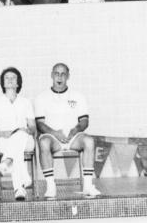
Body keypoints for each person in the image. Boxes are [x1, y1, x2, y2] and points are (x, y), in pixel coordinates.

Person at [34, 62, 101, 198]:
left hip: (73, 137)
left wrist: (75, 130)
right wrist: (54, 133)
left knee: (89, 141)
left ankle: (88, 186)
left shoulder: (78, 96)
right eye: (57, 74)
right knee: (43, 142)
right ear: (52, 75)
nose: (60, 77)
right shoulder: (41, 97)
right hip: (53, 137)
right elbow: (40, 124)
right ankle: (51, 187)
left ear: (68, 76)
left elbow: (84, 121)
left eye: (63, 74)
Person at [0, 67, 36, 201]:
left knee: (19, 135)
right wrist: (2, 133)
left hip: (25, 139)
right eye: (6, 78)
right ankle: (20, 186)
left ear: (18, 83)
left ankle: (7, 162)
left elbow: (32, 126)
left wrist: (27, 130)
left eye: (13, 78)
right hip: (4, 140)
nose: (9, 80)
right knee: (16, 150)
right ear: (3, 83)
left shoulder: (25, 102)